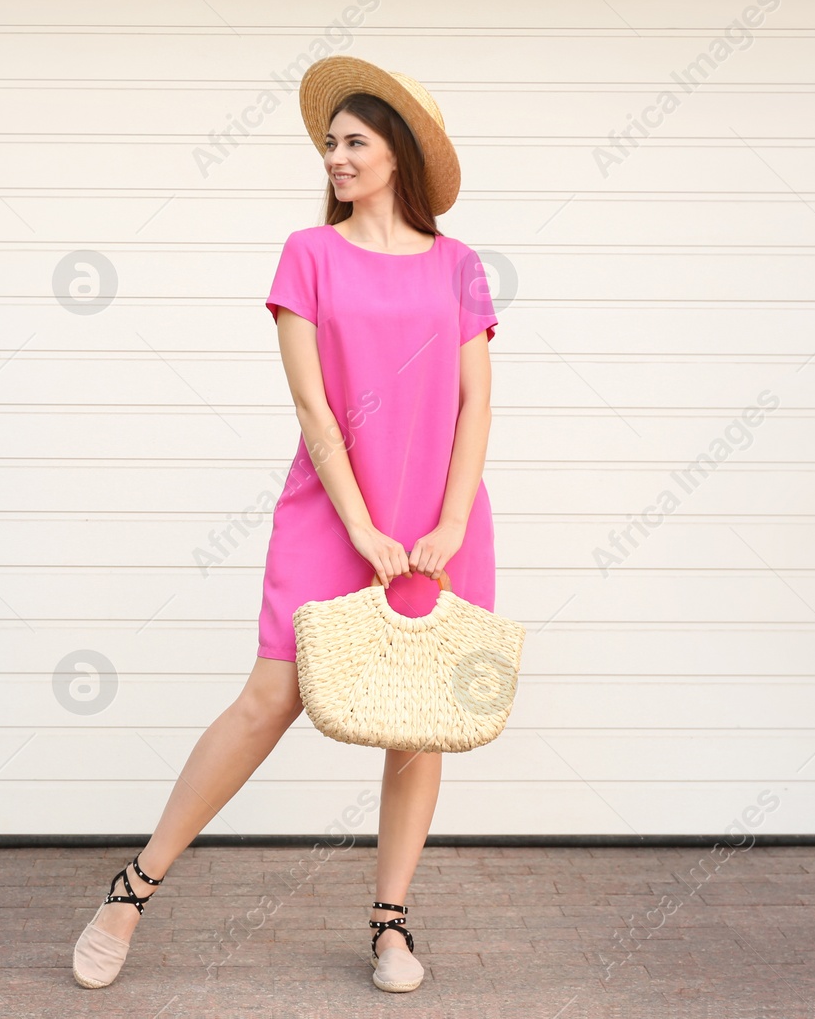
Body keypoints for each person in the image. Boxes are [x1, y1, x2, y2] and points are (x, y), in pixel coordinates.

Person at [72, 55, 499, 995]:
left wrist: (450, 519)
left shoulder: (461, 266)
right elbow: (313, 406)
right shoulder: (308, 255)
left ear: (399, 154)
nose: (336, 157)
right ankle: (132, 889)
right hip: (332, 511)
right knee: (270, 697)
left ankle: (390, 923)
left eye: (353, 142)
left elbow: (476, 406)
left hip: (438, 523)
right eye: (330, 145)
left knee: (417, 720)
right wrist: (364, 528)